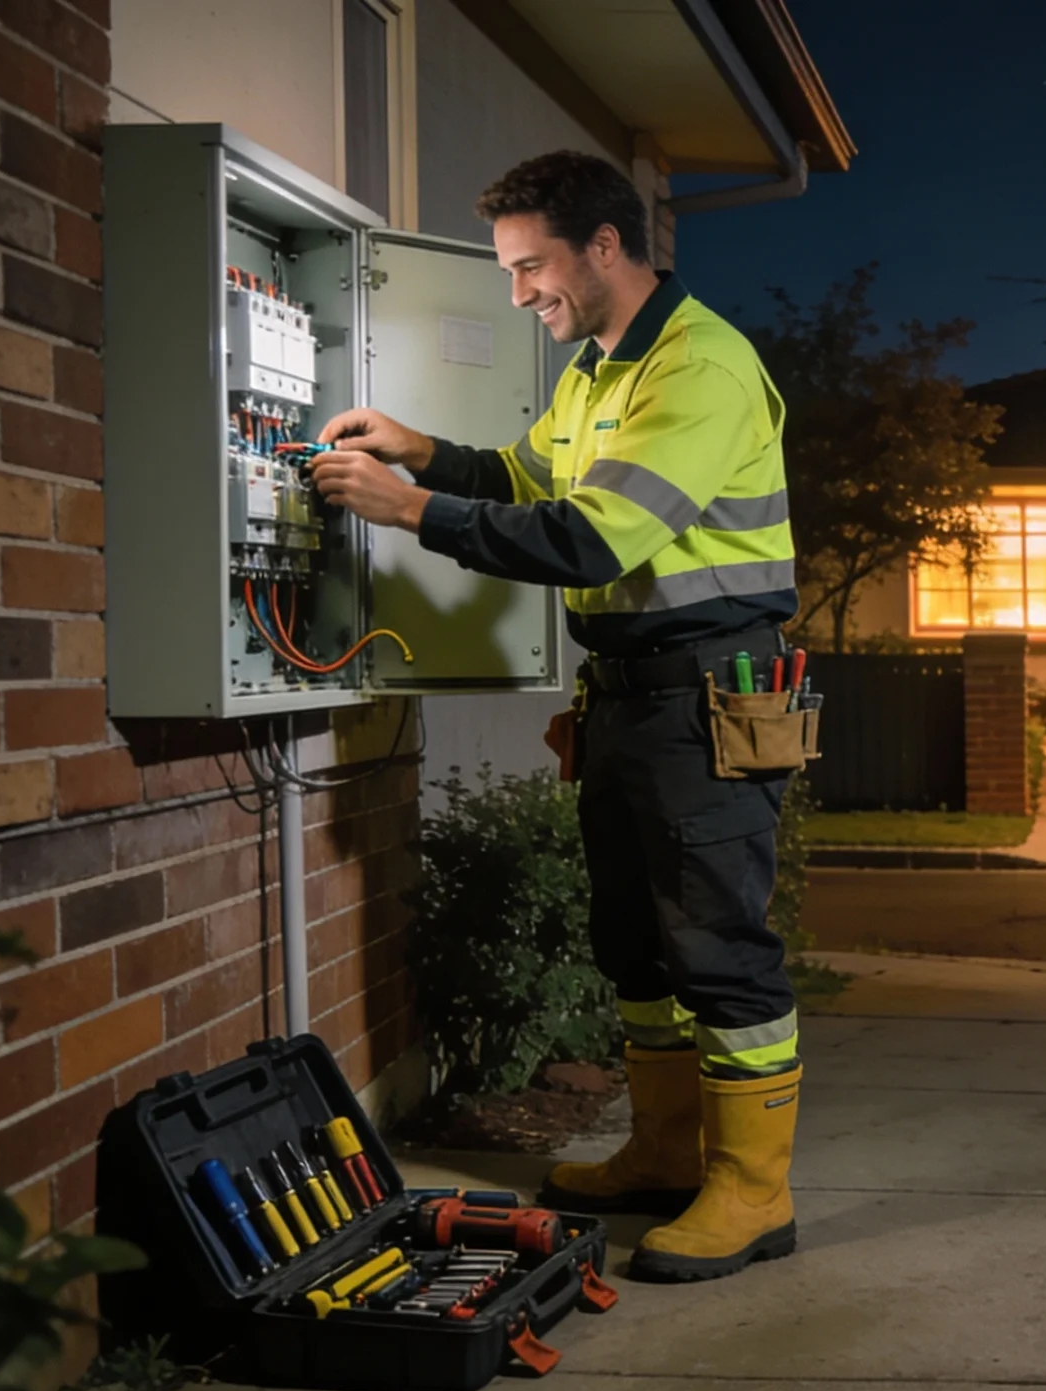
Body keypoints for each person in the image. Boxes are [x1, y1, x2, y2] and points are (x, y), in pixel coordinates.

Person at [311, 151, 801, 1284]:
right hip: (633, 698)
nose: (520, 291)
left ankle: (754, 1189)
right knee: (636, 944)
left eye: (532, 266)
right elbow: (529, 483)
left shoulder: (700, 367)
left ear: (606, 247)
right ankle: (671, 1152)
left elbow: (588, 542)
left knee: (718, 949)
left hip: (709, 698)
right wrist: (421, 451)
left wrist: (410, 508)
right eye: (510, 269)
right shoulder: (598, 370)